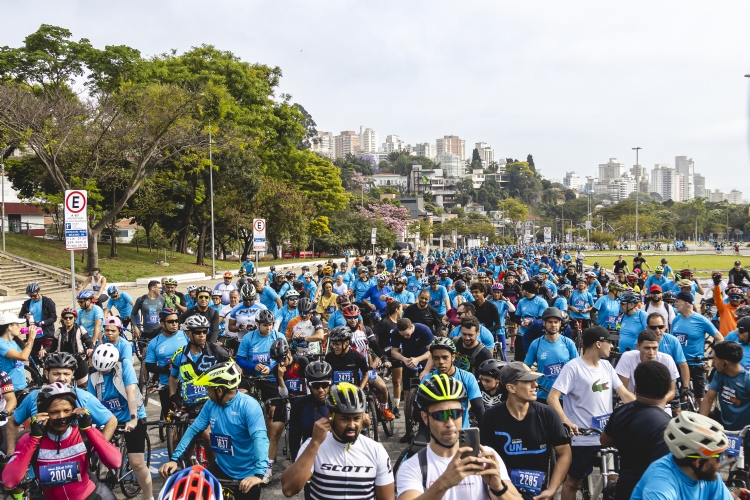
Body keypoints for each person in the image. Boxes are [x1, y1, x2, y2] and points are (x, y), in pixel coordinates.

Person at [397, 373, 521, 500]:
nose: (450, 423)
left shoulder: (485, 457)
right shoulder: (413, 466)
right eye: (441, 415)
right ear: (425, 418)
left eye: (456, 413)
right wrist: (444, 483)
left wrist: (499, 488)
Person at [547, 327, 636, 500]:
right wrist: (567, 422)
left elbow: (624, 394)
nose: (612, 346)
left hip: (606, 436)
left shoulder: (607, 366)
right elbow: (552, 397)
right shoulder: (573, 368)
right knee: (573, 482)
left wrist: (645, 409)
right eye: (609, 342)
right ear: (598, 343)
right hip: (582, 438)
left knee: (614, 480)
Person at [159, 362, 269, 500]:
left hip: (247, 474)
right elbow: (194, 430)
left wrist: (258, 475)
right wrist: (175, 459)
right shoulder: (211, 404)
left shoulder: (249, 406)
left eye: (208, 388)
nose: (206, 392)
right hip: (221, 468)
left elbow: (260, 439)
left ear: (219, 390)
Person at [2, 382, 122, 500]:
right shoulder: (28, 440)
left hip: (93, 495)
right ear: (43, 412)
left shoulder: (84, 435)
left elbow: (115, 462)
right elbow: (9, 481)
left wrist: (89, 430)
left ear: (74, 411)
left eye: (66, 410)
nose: (61, 417)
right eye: (54, 412)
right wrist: (34, 439)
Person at [281, 382, 394, 500]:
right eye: (344, 419)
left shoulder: (376, 450)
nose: (352, 425)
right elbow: (288, 489)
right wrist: (315, 443)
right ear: (330, 417)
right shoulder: (313, 445)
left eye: (357, 418)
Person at [480, 362, 572, 500]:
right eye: (529, 381)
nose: (536, 385)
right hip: (503, 494)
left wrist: (552, 489)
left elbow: (565, 453)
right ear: (511, 388)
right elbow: (486, 459)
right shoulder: (491, 417)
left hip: (539, 495)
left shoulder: (547, 414)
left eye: (535, 380)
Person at [4, 352, 118, 456]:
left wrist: (98, 450)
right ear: (46, 373)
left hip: (76, 457)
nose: (62, 378)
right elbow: (13, 422)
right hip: (41, 459)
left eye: (66, 374)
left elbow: (111, 421)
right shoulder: (33, 397)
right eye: (56, 373)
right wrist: (11, 453)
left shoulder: (83, 397)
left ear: (73, 374)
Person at [601, 361, 674, 500]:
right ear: (667, 391)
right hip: (650, 492)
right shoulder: (666, 425)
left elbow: (604, 440)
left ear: (635, 388)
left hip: (624, 487)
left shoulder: (621, 412)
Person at [88, 343, 152, 499]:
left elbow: (131, 393)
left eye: (105, 370)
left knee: (137, 463)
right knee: (90, 456)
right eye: (99, 370)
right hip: (109, 419)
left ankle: (150, 496)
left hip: (132, 415)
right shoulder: (93, 374)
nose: (102, 373)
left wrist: (133, 419)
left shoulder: (124, 366)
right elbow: (91, 402)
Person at [630, 411, 734, 500]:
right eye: (719, 456)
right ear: (698, 462)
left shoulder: (708, 474)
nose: (723, 458)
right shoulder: (661, 485)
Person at [417, 338, 484, 430]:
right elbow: (417, 412)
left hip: (461, 432)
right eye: (436, 358)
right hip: (436, 432)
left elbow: (479, 409)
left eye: (445, 357)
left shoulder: (468, 378)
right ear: (432, 358)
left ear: (453, 357)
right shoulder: (427, 379)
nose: (441, 362)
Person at [672, 291, 724, 402]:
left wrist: (711, 358)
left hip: (695, 364)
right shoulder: (676, 320)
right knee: (678, 397)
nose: (675, 303)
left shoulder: (701, 320)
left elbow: (720, 338)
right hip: (678, 364)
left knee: (700, 398)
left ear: (686, 304)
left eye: (677, 301)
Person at [390, 317, 434, 439]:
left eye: (408, 335)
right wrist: (404, 359)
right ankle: (408, 428)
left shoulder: (423, 330)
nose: (405, 337)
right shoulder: (396, 333)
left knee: (427, 393)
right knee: (407, 393)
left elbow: (432, 351)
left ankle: (428, 426)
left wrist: (419, 360)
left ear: (411, 327)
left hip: (424, 360)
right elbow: (394, 352)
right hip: (408, 361)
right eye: (403, 336)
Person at [524, 308, 578, 404]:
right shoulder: (536, 344)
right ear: (544, 323)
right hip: (543, 396)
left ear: (560, 323)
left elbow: (577, 368)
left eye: (556, 322)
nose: (553, 325)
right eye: (550, 322)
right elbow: (526, 367)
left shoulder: (568, 343)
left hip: (564, 396)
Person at [145, 308, 188, 425]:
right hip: (166, 385)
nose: (174, 324)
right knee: (170, 421)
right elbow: (149, 365)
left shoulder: (186, 335)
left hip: (186, 383)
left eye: (176, 321)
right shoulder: (154, 342)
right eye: (170, 321)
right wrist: (163, 369)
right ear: (162, 323)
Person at [615, 329, 679, 402]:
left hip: (659, 404)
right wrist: (641, 404)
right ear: (638, 346)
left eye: (654, 348)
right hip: (632, 403)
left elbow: (671, 391)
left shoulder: (667, 359)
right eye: (647, 348)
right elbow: (623, 389)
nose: (651, 353)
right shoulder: (627, 357)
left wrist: (656, 403)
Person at [700, 341, 750, 432]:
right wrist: (701, 425)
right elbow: (708, 398)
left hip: (744, 430)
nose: (713, 362)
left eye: (715, 359)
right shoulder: (719, 374)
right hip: (723, 424)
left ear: (725, 363)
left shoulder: (747, 379)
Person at [287, 360, 332, 459]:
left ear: (330, 384)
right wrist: (297, 462)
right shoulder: (299, 405)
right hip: (309, 455)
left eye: (324, 385)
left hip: (333, 456)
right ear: (308, 385)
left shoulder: (338, 404)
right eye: (316, 386)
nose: (320, 390)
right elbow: (294, 440)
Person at [48, 307, 93, 388]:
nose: (68, 320)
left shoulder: (80, 328)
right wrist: (44, 350)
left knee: (83, 385)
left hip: (79, 359)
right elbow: (52, 346)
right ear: (63, 319)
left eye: (70, 317)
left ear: (74, 318)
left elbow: (89, 342)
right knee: (60, 384)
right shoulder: (59, 331)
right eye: (65, 318)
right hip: (63, 361)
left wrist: (90, 348)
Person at [0, 312, 33, 392]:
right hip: (9, 389)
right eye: (17, 325)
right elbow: (23, 356)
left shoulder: (14, 342)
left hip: (22, 386)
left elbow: (24, 357)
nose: (19, 327)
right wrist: (31, 338)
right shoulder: (1, 343)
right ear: (9, 327)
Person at [19, 282, 57, 347]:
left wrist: (42, 323)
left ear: (39, 291)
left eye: (34, 295)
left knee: (48, 352)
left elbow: (53, 317)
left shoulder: (48, 302)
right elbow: (20, 317)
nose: (33, 297)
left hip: (46, 334)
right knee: (32, 353)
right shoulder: (27, 303)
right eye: (30, 296)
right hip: (32, 335)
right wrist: (25, 316)